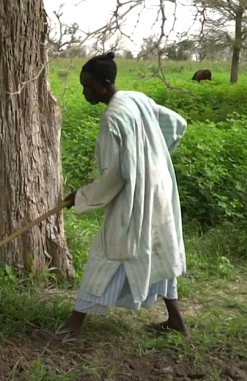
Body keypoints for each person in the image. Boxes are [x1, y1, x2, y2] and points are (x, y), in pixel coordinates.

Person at [41, 51, 189, 344]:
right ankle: (176, 320)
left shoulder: (112, 118)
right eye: (83, 86)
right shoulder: (137, 98)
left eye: (89, 86)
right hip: (158, 189)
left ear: (106, 83)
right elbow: (176, 124)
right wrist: (154, 159)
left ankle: (73, 326)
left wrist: (80, 197)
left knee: (107, 254)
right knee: (158, 247)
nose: (85, 91)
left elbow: (115, 177)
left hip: (135, 194)